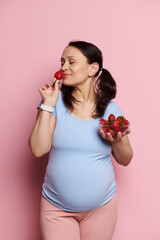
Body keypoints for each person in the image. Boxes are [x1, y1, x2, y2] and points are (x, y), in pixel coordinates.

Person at [29, 40, 133, 240]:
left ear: (92, 68)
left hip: (102, 209)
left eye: (71, 62)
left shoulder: (111, 109)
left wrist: (116, 140)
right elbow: (38, 149)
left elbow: (125, 159)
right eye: (62, 62)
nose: (63, 67)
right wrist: (48, 104)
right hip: (56, 209)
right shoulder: (53, 102)